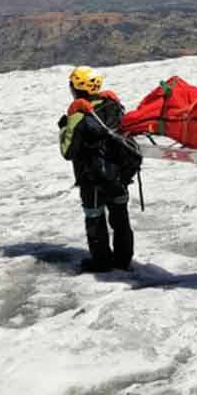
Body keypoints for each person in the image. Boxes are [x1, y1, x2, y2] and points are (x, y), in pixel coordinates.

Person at [58, 66, 142, 272]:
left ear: (76, 87)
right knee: (120, 217)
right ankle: (124, 261)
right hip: (119, 174)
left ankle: (102, 263)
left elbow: (67, 151)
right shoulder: (114, 105)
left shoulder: (78, 115)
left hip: (92, 177)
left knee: (95, 218)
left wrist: (63, 127)